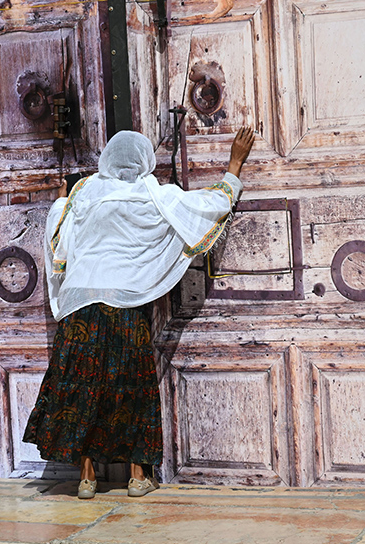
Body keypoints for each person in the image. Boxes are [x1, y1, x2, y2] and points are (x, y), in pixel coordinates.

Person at [23, 126, 255, 499]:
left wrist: (61, 195)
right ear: (145, 161)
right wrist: (234, 164)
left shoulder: (87, 192)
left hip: (80, 304)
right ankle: (136, 476)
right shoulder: (153, 194)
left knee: (83, 387)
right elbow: (210, 204)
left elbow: (58, 227)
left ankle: (86, 479)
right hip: (123, 306)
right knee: (129, 387)